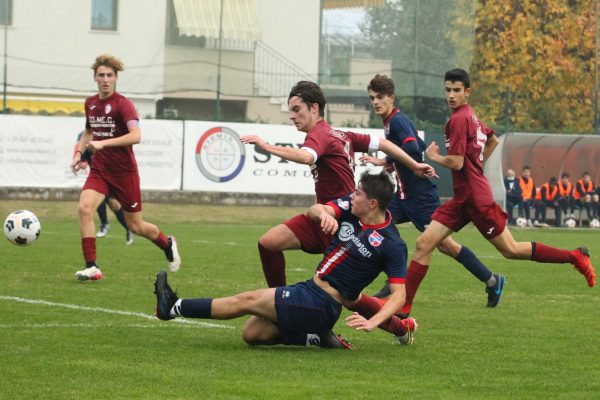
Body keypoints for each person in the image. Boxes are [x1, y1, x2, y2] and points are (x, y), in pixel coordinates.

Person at [154, 171, 418, 348]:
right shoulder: (351, 210)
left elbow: (398, 296)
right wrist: (323, 214)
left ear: (372, 204)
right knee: (252, 334)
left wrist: (372, 323)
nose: (351, 196)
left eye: (357, 193)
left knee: (247, 300)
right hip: (309, 289)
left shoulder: (393, 244)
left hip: (323, 303)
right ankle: (315, 337)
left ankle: (174, 306)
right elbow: (315, 209)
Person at [411, 68, 595, 292]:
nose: (451, 95)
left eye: (456, 90)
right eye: (448, 90)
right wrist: (476, 166)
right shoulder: (472, 117)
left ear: (467, 92)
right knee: (424, 243)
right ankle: (403, 308)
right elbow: (493, 141)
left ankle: (574, 257)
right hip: (463, 199)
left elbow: (457, 162)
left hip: (476, 200)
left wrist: (435, 157)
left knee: (511, 250)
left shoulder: (459, 119)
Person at [239, 81, 435, 289]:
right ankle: (276, 300)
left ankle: (396, 321)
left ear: (314, 108)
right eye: (290, 111)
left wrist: (265, 146)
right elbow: (383, 143)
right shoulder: (340, 135)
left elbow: (307, 157)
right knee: (269, 243)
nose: (292, 116)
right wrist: (413, 165)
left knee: (337, 293)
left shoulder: (320, 135)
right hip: (322, 215)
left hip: (341, 219)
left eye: (297, 109)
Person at [360, 74, 504, 316]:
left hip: (421, 198)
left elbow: (413, 148)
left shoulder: (397, 121)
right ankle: (393, 280)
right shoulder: (389, 122)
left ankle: (491, 279)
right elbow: (407, 151)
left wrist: (389, 159)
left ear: (391, 98)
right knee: (375, 224)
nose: (376, 102)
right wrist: (386, 161)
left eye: (381, 97)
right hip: (403, 197)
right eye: (372, 98)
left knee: (446, 245)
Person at [70, 54, 180, 281]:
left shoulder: (123, 105)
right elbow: (89, 132)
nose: (105, 79)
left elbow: (136, 136)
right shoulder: (90, 103)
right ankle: (92, 266)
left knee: (136, 226)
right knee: (84, 209)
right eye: (101, 75)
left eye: (110, 75)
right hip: (100, 170)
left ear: (116, 78)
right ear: (94, 78)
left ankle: (166, 243)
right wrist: (80, 155)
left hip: (124, 173)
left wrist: (104, 143)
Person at [75, 131, 134, 245]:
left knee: (114, 204)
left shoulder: (103, 144)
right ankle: (105, 224)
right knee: (97, 199)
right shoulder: (88, 149)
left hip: (111, 177)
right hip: (98, 179)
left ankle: (128, 229)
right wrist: (79, 162)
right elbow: (82, 161)